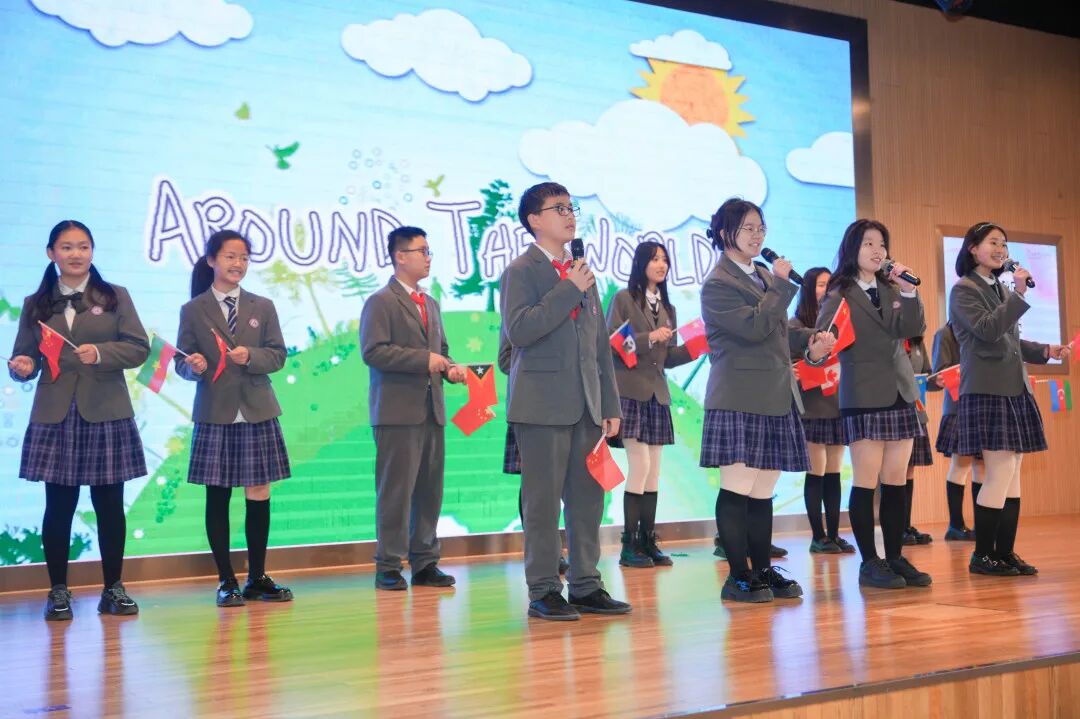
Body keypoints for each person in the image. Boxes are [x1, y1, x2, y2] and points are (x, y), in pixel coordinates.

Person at [500, 181, 628, 621]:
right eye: (559, 209)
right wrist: (569, 289)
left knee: (588, 501)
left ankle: (586, 585)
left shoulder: (581, 273)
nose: (570, 216)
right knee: (542, 504)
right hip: (540, 407)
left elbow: (598, 348)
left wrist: (610, 405)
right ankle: (543, 590)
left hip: (587, 407)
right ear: (534, 220)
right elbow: (521, 331)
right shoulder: (522, 271)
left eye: (572, 208)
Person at [9, 220, 149, 620]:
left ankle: (113, 588)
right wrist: (22, 367)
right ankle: (58, 591)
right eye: (67, 247)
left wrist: (101, 353)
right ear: (51, 253)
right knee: (59, 506)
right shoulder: (36, 303)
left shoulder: (115, 296)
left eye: (83, 246)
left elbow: (139, 348)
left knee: (109, 505)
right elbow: (26, 357)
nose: (76, 254)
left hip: (106, 410)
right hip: (56, 413)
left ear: (92, 251)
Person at [701, 198, 835, 603]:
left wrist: (811, 342)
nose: (757, 235)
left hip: (776, 394)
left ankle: (761, 569)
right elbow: (754, 327)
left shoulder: (761, 275)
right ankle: (738, 576)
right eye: (748, 228)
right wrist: (780, 285)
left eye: (761, 227)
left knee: (763, 491)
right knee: (737, 487)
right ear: (725, 233)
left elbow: (778, 332)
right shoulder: (718, 283)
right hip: (739, 396)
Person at [176, 230, 293, 607]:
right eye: (230, 256)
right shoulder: (193, 310)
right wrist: (192, 366)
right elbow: (182, 362)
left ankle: (257, 577)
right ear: (211, 260)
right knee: (218, 495)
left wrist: (251, 357)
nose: (237, 264)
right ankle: (226, 580)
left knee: (259, 492)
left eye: (243, 257)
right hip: (215, 411)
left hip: (258, 409)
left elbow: (278, 355)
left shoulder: (263, 305)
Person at [948, 222, 1070, 577]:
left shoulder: (1000, 289)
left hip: (1014, 388)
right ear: (973, 248)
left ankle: (1004, 552)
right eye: (993, 242)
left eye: (1003, 243)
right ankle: (982, 556)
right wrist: (1017, 293)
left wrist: (1044, 350)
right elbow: (988, 331)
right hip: (987, 389)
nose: (1000, 249)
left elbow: (1009, 341)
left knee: (1013, 473)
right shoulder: (963, 290)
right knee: (999, 471)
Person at [818, 219, 930, 590]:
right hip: (864, 394)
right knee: (866, 482)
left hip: (900, 392)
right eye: (868, 243)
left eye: (881, 244)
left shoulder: (892, 287)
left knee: (896, 481)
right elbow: (826, 338)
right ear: (852, 248)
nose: (877, 250)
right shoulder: (840, 292)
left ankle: (895, 556)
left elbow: (912, 329)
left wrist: (909, 292)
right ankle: (870, 562)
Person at [360, 226, 466, 591]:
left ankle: (425, 563)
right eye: (421, 251)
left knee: (429, 491)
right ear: (400, 256)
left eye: (429, 250)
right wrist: (425, 360)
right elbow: (373, 352)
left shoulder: (430, 303)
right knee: (396, 492)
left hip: (432, 411)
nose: (428, 257)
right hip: (397, 413)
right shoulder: (381, 301)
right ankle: (388, 565)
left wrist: (450, 369)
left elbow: (442, 351)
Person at [605, 241, 694, 567]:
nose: (661, 264)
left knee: (653, 471)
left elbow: (666, 359)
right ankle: (629, 545)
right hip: (630, 393)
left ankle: (648, 540)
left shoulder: (668, 308)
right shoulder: (624, 298)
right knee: (640, 466)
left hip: (657, 394)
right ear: (641, 262)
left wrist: (696, 348)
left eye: (665, 259)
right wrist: (649, 338)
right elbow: (611, 343)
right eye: (655, 259)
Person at [790, 267, 854, 555]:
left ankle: (834, 534)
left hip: (837, 404)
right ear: (808, 288)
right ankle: (818, 536)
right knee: (815, 472)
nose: (826, 290)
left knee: (833, 472)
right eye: (820, 284)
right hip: (812, 406)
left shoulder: (839, 324)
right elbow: (790, 364)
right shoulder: (796, 325)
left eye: (830, 284)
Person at [931, 323, 980, 541]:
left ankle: (981, 525)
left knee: (981, 466)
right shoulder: (945, 334)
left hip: (979, 406)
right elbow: (939, 374)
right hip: (958, 407)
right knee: (960, 465)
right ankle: (955, 525)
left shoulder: (977, 332)